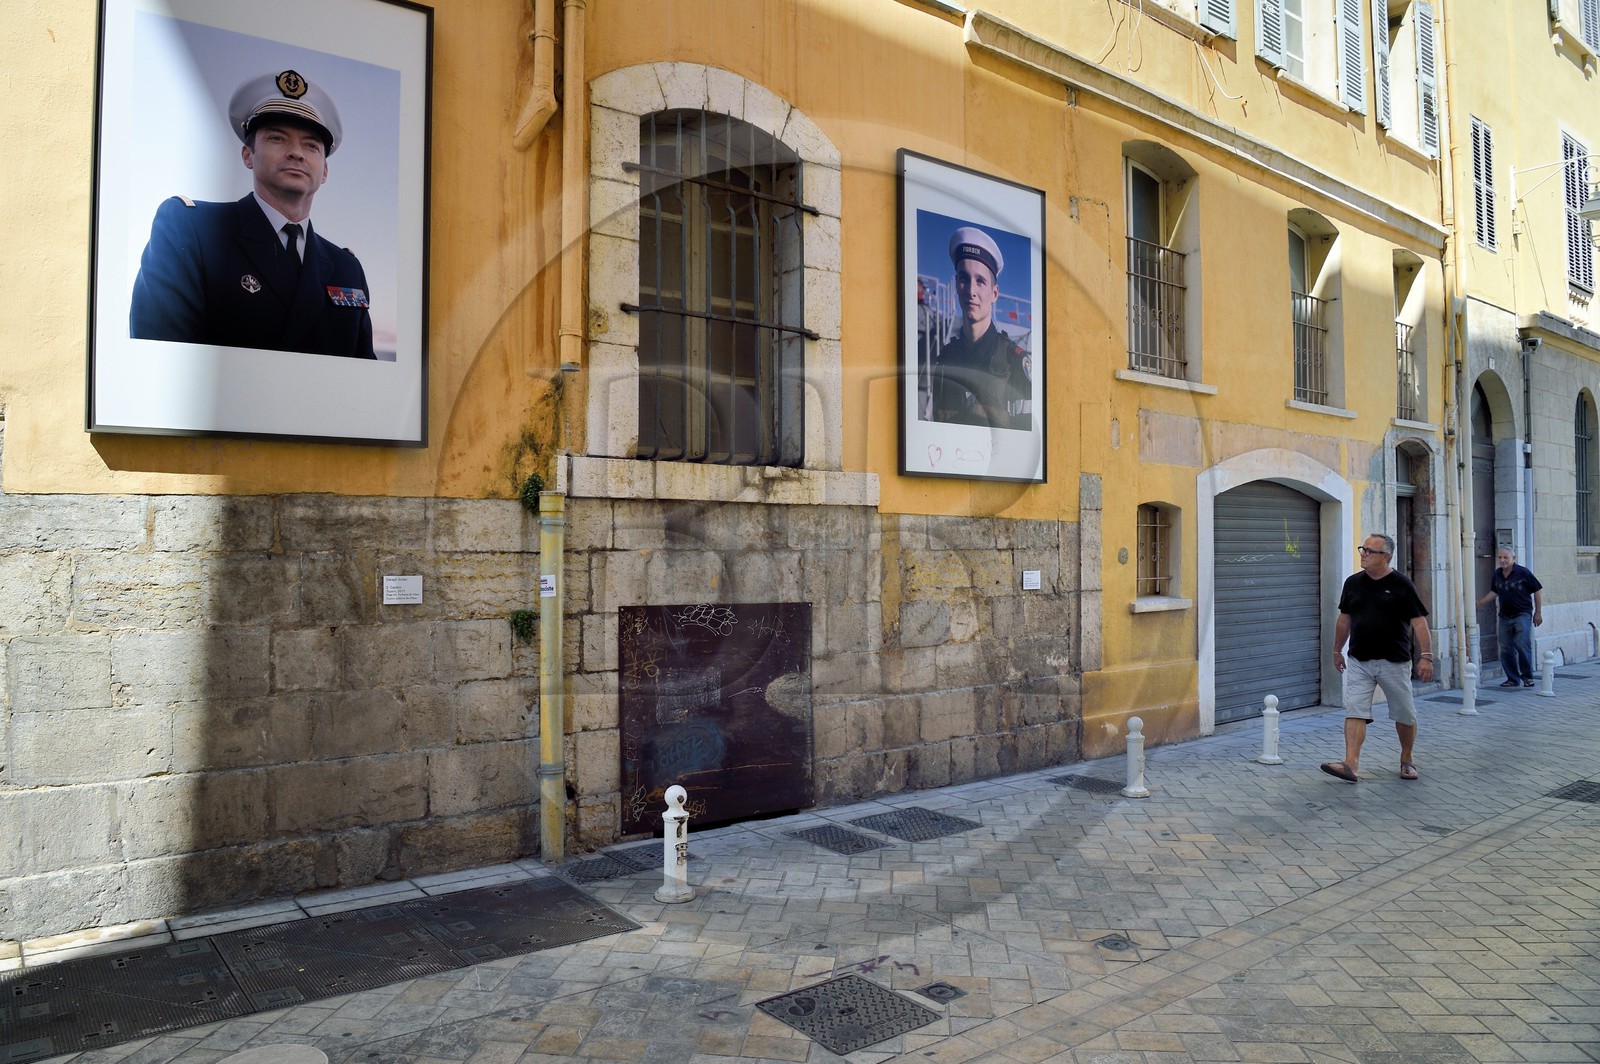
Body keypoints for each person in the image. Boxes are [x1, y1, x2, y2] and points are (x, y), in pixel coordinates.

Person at [130, 69, 375, 359]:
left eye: (311, 145)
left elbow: (363, 376)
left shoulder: (346, 268)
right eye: (277, 139)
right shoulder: (191, 230)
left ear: (324, 171)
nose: (296, 153)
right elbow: (161, 357)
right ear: (248, 155)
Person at [1321, 532, 1433, 784]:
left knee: (1404, 713)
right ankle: (1350, 764)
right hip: (1360, 659)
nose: (1363, 554)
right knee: (1355, 710)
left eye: (1370, 551)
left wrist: (1426, 656)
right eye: (1363, 549)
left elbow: (1419, 623)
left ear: (1386, 556)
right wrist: (1336, 650)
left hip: (1394, 660)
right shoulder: (1353, 583)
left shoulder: (1402, 585)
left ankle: (1406, 759)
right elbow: (1344, 619)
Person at [928, 226, 1031, 429]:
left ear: (994, 294)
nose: (971, 291)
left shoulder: (1015, 362)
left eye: (981, 281)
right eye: (964, 279)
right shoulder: (944, 362)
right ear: (957, 284)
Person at [1476, 547, 1544, 688]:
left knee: (1521, 643)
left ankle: (1527, 677)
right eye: (1500, 557)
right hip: (1505, 616)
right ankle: (1512, 679)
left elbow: (1537, 590)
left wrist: (1538, 612)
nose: (1502, 560)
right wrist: (1480, 603)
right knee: (1506, 647)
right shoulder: (1497, 574)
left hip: (1522, 614)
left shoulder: (1523, 572)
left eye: (1506, 557)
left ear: (1513, 558)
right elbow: (1495, 591)